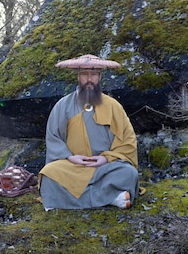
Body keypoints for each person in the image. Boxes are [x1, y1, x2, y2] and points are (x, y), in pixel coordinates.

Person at [38, 54, 139, 210]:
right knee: (49, 174)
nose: (89, 79)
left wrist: (105, 159)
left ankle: (68, 200)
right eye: (85, 74)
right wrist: (71, 157)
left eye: (93, 74)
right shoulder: (63, 105)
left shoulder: (113, 106)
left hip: (104, 167)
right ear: (79, 77)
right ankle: (111, 197)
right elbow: (53, 138)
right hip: (73, 167)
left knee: (129, 173)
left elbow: (128, 140)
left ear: (99, 77)